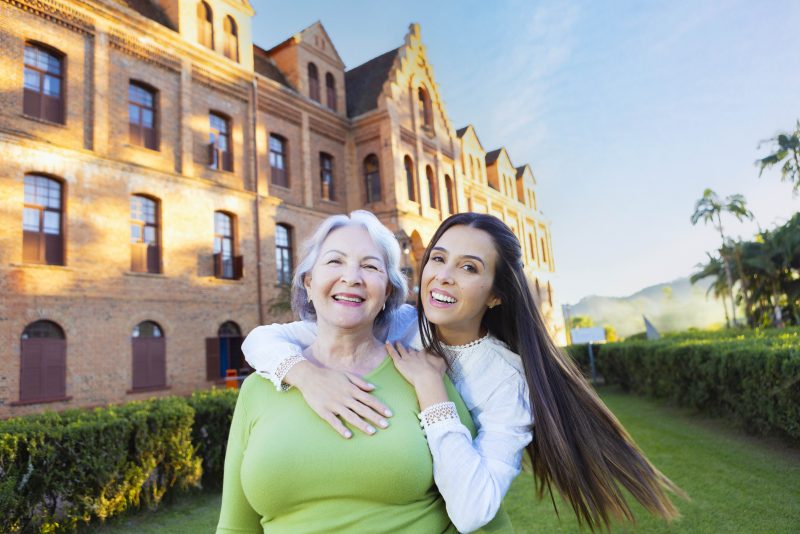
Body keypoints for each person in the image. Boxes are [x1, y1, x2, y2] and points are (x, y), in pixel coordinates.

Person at [243, 213, 684, 532]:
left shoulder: (505, 380)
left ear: (495, 295)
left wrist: (432, 391)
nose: (443, 278)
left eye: (469, 268)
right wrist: (305, 375)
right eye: (438, 259)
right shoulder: (400, 323)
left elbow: (474, 510)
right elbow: (262, 339)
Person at [217, 211, 502, 533]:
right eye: (335, 261)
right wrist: (306, 376)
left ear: (387, 294)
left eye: (369, 266)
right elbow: (234, 526)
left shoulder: (425, 376)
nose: (351, 277)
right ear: (309, 284)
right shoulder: (259, 389)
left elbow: (485, 521)